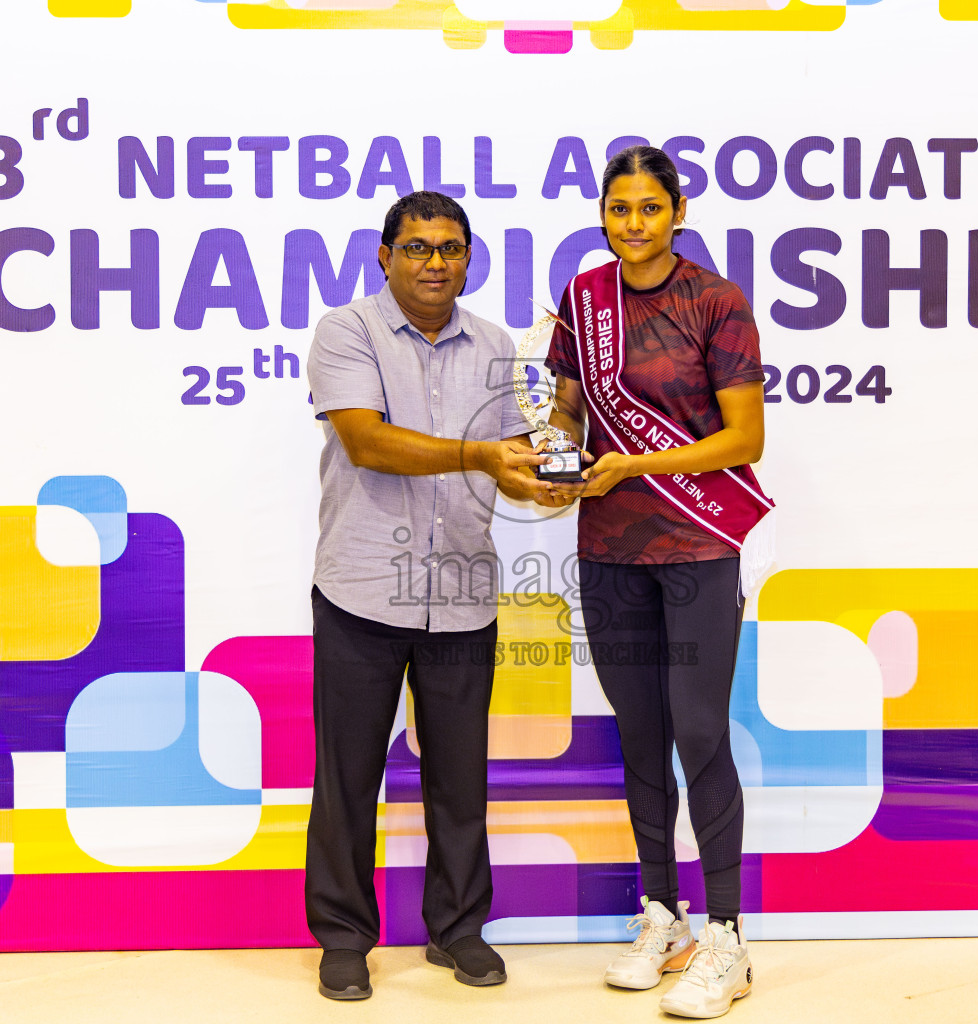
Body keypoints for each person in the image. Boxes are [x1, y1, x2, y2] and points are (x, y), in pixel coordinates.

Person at [540, 146, 773, 1019]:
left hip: (699, 544)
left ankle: (727, 937)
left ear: (678, 211)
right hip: (607, 546)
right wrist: (557, 457)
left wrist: (634, 462)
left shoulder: (717, 301)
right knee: (639, 737)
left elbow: (742, 440)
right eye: (617, 209)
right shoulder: (585, 299)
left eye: (649, 207)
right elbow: (567, 408)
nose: (632, 223)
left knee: (701, 735)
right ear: (602, 215)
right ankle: (662, 915)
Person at [304, 191, 551, 1001]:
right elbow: (367, 441)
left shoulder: (497, 343)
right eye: (416, 248)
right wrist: (486, 454)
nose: (434, 262)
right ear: (385, 257)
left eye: (449, 248)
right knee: (347, 778)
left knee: (459, 775)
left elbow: (514, 453)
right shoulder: (347, 330)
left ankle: (458, 932)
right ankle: (344, 939)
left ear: (469, 258)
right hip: (362, 591)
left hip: (462, 593)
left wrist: (551, 479)